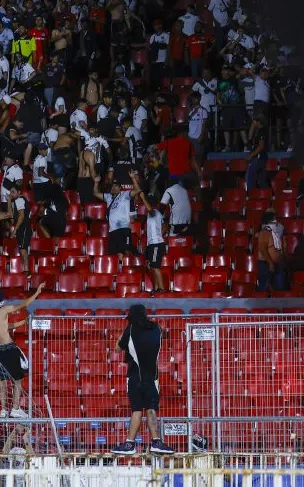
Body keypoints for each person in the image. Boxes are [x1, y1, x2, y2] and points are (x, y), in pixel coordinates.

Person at [110, 304, 174, 455]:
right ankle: (156, 442)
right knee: (151, 409)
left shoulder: (131, 329)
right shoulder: (157, 328)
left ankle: (130, 444)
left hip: (134, 377)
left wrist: (124, 333)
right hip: (152, 377)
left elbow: (117, 348)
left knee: (136, 409)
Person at [0, 284, 44, 419]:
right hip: (8, 348)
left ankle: (3, 410)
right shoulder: (5, 309)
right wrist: (37, 292)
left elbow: (5, 327)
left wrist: (23, 322)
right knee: (17, 379)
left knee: (3, 381)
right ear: (3, 300)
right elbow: (24, 304)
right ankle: (16, 408)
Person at [133, 177, 167, 292]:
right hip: (152, 244)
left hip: (157, 244)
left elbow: (151, 210)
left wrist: (143, 198)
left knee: (155, 267)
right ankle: (156, 289)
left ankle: (161, 289)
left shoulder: (155, 212)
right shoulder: (150, 215)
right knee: (152, 267)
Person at [256, 211, 287, 291]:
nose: (276, 222)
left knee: (279, 290)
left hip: (277, 264)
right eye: (274, 220)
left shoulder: (277, 233)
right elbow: (262, 249)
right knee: (264, 289)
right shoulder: (265, 232)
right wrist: (270, 263)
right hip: (266, 264)